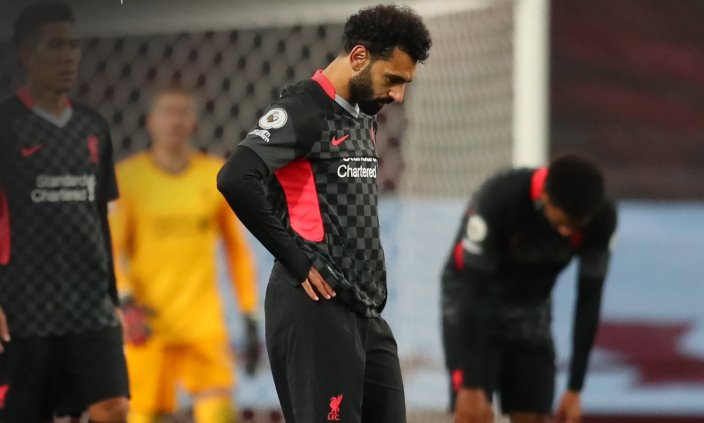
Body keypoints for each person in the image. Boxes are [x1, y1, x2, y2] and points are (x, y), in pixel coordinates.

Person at [216, 4, 431, 423]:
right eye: (393, 79)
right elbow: (235, 177)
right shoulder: (303, 108)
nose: (398, 95)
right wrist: (297, 260)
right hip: (314, 307)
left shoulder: (363, 116)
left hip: (365, 311)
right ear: (358, 57)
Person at [0, 2, 130, 422]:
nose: (68, 56)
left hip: (89, 304)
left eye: (74, 46)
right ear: (26, 54)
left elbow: (99, 218)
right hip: (23, 306)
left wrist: (112, 298)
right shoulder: (6, 125)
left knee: (114, 406)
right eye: (55, 46)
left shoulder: (93, 126)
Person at [109, 87, 261, 423]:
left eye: (182, 113)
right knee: (141, 414)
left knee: (219, 413)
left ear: (193, 122)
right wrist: (125, 300)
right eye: (167, 112)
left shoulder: (215, 175)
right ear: (151, 121)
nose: (174, 121)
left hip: (202, 325)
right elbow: (110, 250)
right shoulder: (128, 179)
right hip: (148, 323)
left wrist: (250, 313)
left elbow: (237, 252)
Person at [442, 155, 618, 423]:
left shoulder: (602, 218)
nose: (565, 233)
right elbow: (473, 292)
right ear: (544, 197)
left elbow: (589, 299)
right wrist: (471, 384)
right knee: (475, 414)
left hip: (531, 305)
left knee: (534, 415)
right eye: (560, 223)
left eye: (574, 227)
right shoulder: (499, 200)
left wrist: (575, 388)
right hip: (474, 299)